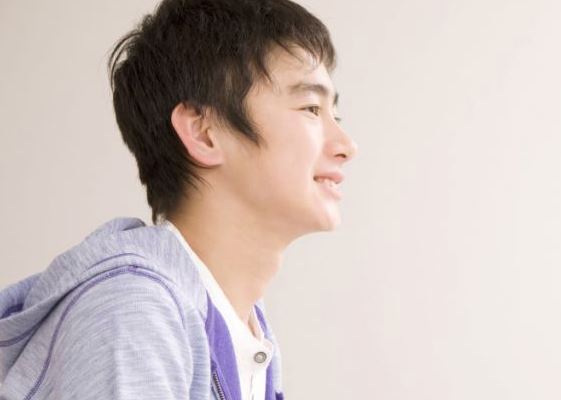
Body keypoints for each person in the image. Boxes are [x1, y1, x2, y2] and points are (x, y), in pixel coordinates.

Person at [0, 0, 357, 398]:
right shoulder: (133, 310)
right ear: (204, 133)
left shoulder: (241, 329)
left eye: (335, 115)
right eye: (311, 108)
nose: (346, 146)